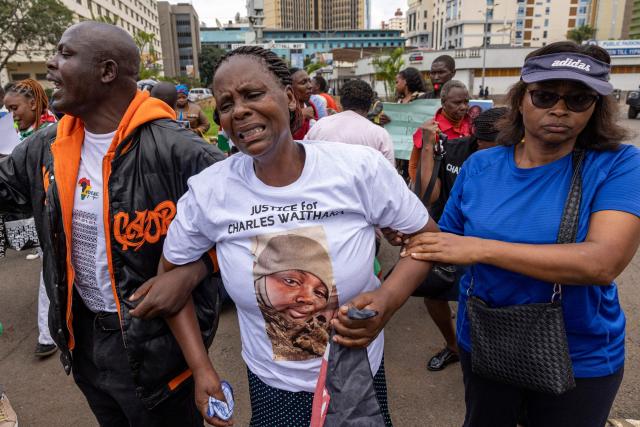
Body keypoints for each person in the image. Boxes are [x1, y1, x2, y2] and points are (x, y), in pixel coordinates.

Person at [129, 46, 438, 426]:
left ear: (290, 98)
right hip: (272, 384)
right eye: (225, 105)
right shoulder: (210, 191)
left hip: (356, 372)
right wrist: (201, 368)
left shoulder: (357, 170)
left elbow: (426, 240)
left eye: (253, 94)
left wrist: (388, 300)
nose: (238, 110)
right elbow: (171, 278)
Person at [403, 41, 640, 427]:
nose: (559, 109)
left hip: (579, 352)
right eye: (545, 95)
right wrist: (382, 299)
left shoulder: (619, 165)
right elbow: (444, 245)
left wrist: (481, 249)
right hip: (485, 339)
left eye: (578, 99)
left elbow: (601, 263)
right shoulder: (482, 165)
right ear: (520, 98)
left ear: (596, 106)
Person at [0, 21, 225, 425]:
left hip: (156, 349)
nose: (51, 65)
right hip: (83, 340)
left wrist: (194, 271)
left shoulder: (178, 149)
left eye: (65, 54)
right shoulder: (47, 145)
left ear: (106, 71)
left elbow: (251, 227)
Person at [387, 108, 508, 372]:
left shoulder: (521, 162)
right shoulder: (457, 151)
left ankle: (489, 357)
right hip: (449, 232)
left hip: (492, 244)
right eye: (491, 148)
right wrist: (429, 147)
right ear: (478, 141)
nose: (500, 157)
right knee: (435, 291)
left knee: (489, 299)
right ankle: (454, 346)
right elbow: (429, 194)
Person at [3, 79, 58, 358]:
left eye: (15, 108)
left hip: (51, 215)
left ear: (34, 103)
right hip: (36, 214)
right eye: (8, 110)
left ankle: (49, 335)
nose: (12, 115)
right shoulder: (23, 135)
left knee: (51, 270)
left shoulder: (52, 133)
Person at [305, 79, 395, 165]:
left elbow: (305, 161)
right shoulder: (380, 135)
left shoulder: (319, 126)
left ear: (340, 103)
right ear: (370, 106)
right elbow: (390, 173)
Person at [409, 80, 472, 182]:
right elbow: (414, 166)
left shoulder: (471, 126)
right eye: (457, 103)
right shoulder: (430, 130)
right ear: (443, 102)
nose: (463, 107)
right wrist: (425, 193)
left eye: (466, 102)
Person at [290, 67, 318, 140]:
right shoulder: (283, 109)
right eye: (303, 82)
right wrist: (301, 114)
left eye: (309, 81)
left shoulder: (310, 105)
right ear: (289, 88)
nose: (310, 86)